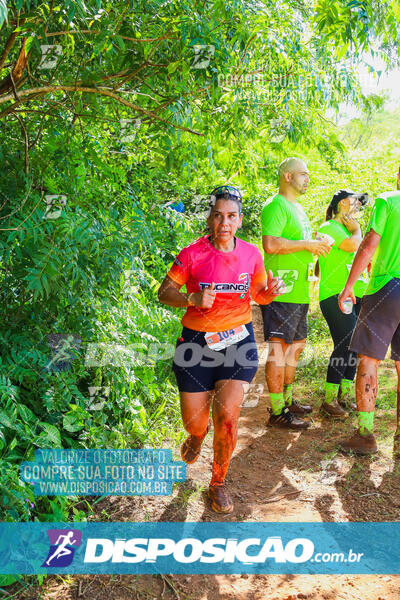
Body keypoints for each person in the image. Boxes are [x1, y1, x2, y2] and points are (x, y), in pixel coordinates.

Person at [158, 185, 283, 513]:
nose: (224, 222)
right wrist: (190, 298)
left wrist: (270, 291)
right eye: (218, 215)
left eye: (231, 216)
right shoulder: (192, 254)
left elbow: (258, 295)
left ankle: (217, 483)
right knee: (196, 424)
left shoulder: (252, 254)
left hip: (237, 346)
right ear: (210, 219)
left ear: (240, 220)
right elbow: (164, 292)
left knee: (227, 415)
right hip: (195, 347)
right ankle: (197, 437)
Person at [260, 158, 332, 429]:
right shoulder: (276, 205)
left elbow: (300, 244)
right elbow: (270, 244)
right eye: (303, 174)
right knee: (279, 351)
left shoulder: (298, 209)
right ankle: (277, 410)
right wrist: (307, 243)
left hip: (300, 293)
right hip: (281, 291)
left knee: (296, 349)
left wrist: (316, 243)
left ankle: (288, 400)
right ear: (287, 176)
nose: (308, 179)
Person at [338, 189, 400, 455]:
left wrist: (349, 285)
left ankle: (365, 434)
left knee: (369, 360)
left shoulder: (388, 200)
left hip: (386, 287)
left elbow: (369, 244)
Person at [316, 190, 369, 418]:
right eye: (356, 202)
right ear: (343, 203)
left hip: (357, 295)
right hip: (335, 295)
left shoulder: (350, 230)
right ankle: (329, 401)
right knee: (345, 343)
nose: (358, 207)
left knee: (354, 347)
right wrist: (357, 230)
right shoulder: (328, 228)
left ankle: (344, 397)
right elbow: (350, 246)